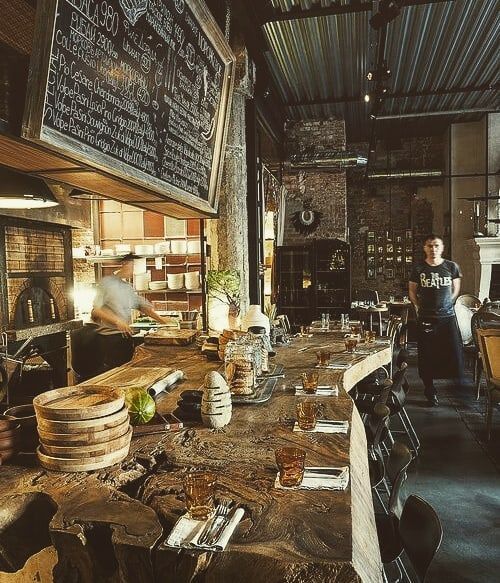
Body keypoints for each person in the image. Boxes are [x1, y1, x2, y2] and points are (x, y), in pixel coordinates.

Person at [409, 234, 464, 406]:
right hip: (426, 318)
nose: (433, 249)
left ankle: (460, 391)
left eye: (436, 245)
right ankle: (430, 392)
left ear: (442, 247)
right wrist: (419, 307)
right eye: (430, 246)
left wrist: (447, 304)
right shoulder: (418, 269)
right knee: (427, 356)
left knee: (455, 353)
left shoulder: (451, 267)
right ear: (425, 248)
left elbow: (456, 290)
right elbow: (412, 291)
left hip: (447, 318)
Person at [91, 253, 169, 373]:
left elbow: (142, 306)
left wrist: (163, 321)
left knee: (127, 373)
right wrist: (117, 321)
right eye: (133, 267)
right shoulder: (106, 283)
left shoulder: (127, 287)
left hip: (125, 338)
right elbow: (96, 310)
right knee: (114, 375)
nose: (135, 271)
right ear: (124, 264)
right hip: (109, 339)